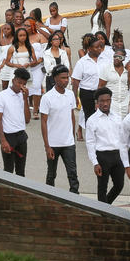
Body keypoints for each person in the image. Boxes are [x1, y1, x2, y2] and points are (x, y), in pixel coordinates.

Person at [40, 64, 79, 193]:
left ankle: (75, 196)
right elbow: (43, 122)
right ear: (55, 79)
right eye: (63, 78)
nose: (66, 80)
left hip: (68, 143)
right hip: (53, 144)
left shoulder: (70, 95)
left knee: (72, 173)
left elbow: (72, 116)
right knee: (51, 174)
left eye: (67, 77)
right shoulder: (47, 98)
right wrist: (47, 146)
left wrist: (72, 137)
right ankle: (49, 196)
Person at [85, 87, 124, 204]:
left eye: (108, 100)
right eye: (102, 101)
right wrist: (95, 162)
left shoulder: (117, 118)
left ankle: (106, 205)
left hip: (117, 156)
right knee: (102, 187)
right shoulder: (92, 120)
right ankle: (102, 212)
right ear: (97, 102)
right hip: (102, 156)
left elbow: (123, 138)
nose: (105, 103)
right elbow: (90, 142)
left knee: (119, 185)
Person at [0, 67, 31, 176]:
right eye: (19, 83)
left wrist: (25, 99)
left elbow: (27, 120)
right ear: (14, 80)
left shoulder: (23, 96)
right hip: (8, 137)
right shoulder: (2, 96)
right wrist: (3, 140)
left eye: (24, 84)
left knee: (21, 171)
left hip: (21, 136)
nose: (21, 86)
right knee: (8, 169)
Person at [72, 38, 104, 123]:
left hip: (102, 93)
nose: (99, 49)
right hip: (87, 94)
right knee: (90, 119)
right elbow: (75, 81)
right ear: (89, 49)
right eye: (96, 47)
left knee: (102, 117)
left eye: (100, 47)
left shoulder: (105, 60)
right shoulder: (82, 62)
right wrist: (75, 97)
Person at [0, 23, 15, 90]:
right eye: (4, 29)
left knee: (13, 87)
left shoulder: (15, 40)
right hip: (4, 68)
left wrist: (4, 62)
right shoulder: (1, 41)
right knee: (4, 86)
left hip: (12, 65)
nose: (6, 30)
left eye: (8, 29)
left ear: (12, 30)